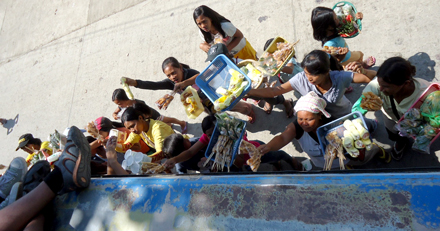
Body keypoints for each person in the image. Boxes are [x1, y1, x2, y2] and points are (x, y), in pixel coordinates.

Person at [258, 92, 390, 170]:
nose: (304, 123)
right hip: (326, 162)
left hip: (348, 154)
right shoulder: (296, 128)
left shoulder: (335, 123)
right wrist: (269, 147)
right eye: (300, 118)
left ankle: (377, 150)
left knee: (364, 156)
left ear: (320, 115)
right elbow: (282, 138)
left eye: (309, 119)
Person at [0, 126, 91, 231]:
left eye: (25, 147)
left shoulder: (44, 146)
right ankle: (59, 177)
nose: (24, 149)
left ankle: (35, 203)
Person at [248, 50, 374, 120]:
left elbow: (371, 79)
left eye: (313, 75)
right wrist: (248, 92)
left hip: (344, 113)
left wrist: (363, 70)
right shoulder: (300, 79)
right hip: (321, 118)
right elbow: (275, 91)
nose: (308, 78)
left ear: (326, 72)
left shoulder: (340, 77)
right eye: (306, 73)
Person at [123, 57, 256, 123]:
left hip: (211, 95)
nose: (172, 77)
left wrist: (184, 83)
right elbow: (153, 85)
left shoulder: (190, 73)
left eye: (174, 73)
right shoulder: (171, 84)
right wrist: (134, 83)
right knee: (216, 115)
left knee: (231, 106)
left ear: (180, 68)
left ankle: (247, 108)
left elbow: (201, 76)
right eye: (168, 75)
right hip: (201, 105)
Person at [362, 57, 429, 160]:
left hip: (413, 123)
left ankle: (403, 142)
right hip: (390, 118)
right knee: (394, 135)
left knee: (408, 135)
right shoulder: (381, 83)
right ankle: (400, 143)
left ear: (406, 83)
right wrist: (368, 102)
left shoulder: (425, 93)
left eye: (385, 87)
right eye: (380, 84)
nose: (380, 89)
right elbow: (368, 93)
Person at [206, 43, 294, 117]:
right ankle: (267, 101)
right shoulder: (221, 69)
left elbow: (256, 74)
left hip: (257, 87)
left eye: (218, 61)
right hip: (246, 92)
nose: (216, 64)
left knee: (272, 98)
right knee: (260, 98)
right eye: (214, 62)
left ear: (228, 55)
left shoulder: (239, 63)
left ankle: (286, 102)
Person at [112, 88, 188, 134]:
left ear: (126, 99)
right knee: (163, 124)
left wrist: (146, 117)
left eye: (120, 103)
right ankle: (169, 125)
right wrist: (115, 113)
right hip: (147, 121)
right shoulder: (123, 105)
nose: (119, 106)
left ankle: (181, 123)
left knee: (166, 119)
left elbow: (146, 112)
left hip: (153, 116)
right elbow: (117, 109)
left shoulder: (136, 104)